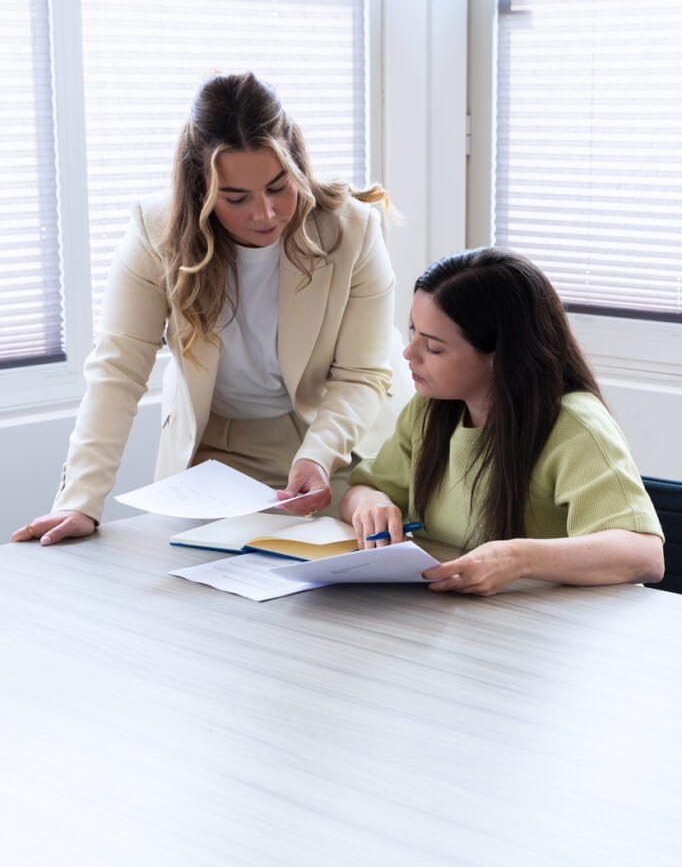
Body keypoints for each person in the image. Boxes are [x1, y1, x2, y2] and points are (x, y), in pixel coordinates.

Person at [15, 71, 407, 546]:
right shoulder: (155, 233)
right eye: (236, 197)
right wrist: (80, 501)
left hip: (338, 440)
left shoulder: (352, 230)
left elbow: (361, 375)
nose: (264, 213)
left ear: (297, 166)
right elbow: (118, 370)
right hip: (220, 450)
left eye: (279, 187)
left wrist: (318, 456)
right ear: (202, 189)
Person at [340, 247, 665, 596]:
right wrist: (370, 504)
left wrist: (516, 557)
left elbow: (644, 555)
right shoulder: (428, 410)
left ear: (499, 356)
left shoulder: (574, 424)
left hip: (550, 631)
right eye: (413, 331)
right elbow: (360, 489)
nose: (409, 353)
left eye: (433, 347)